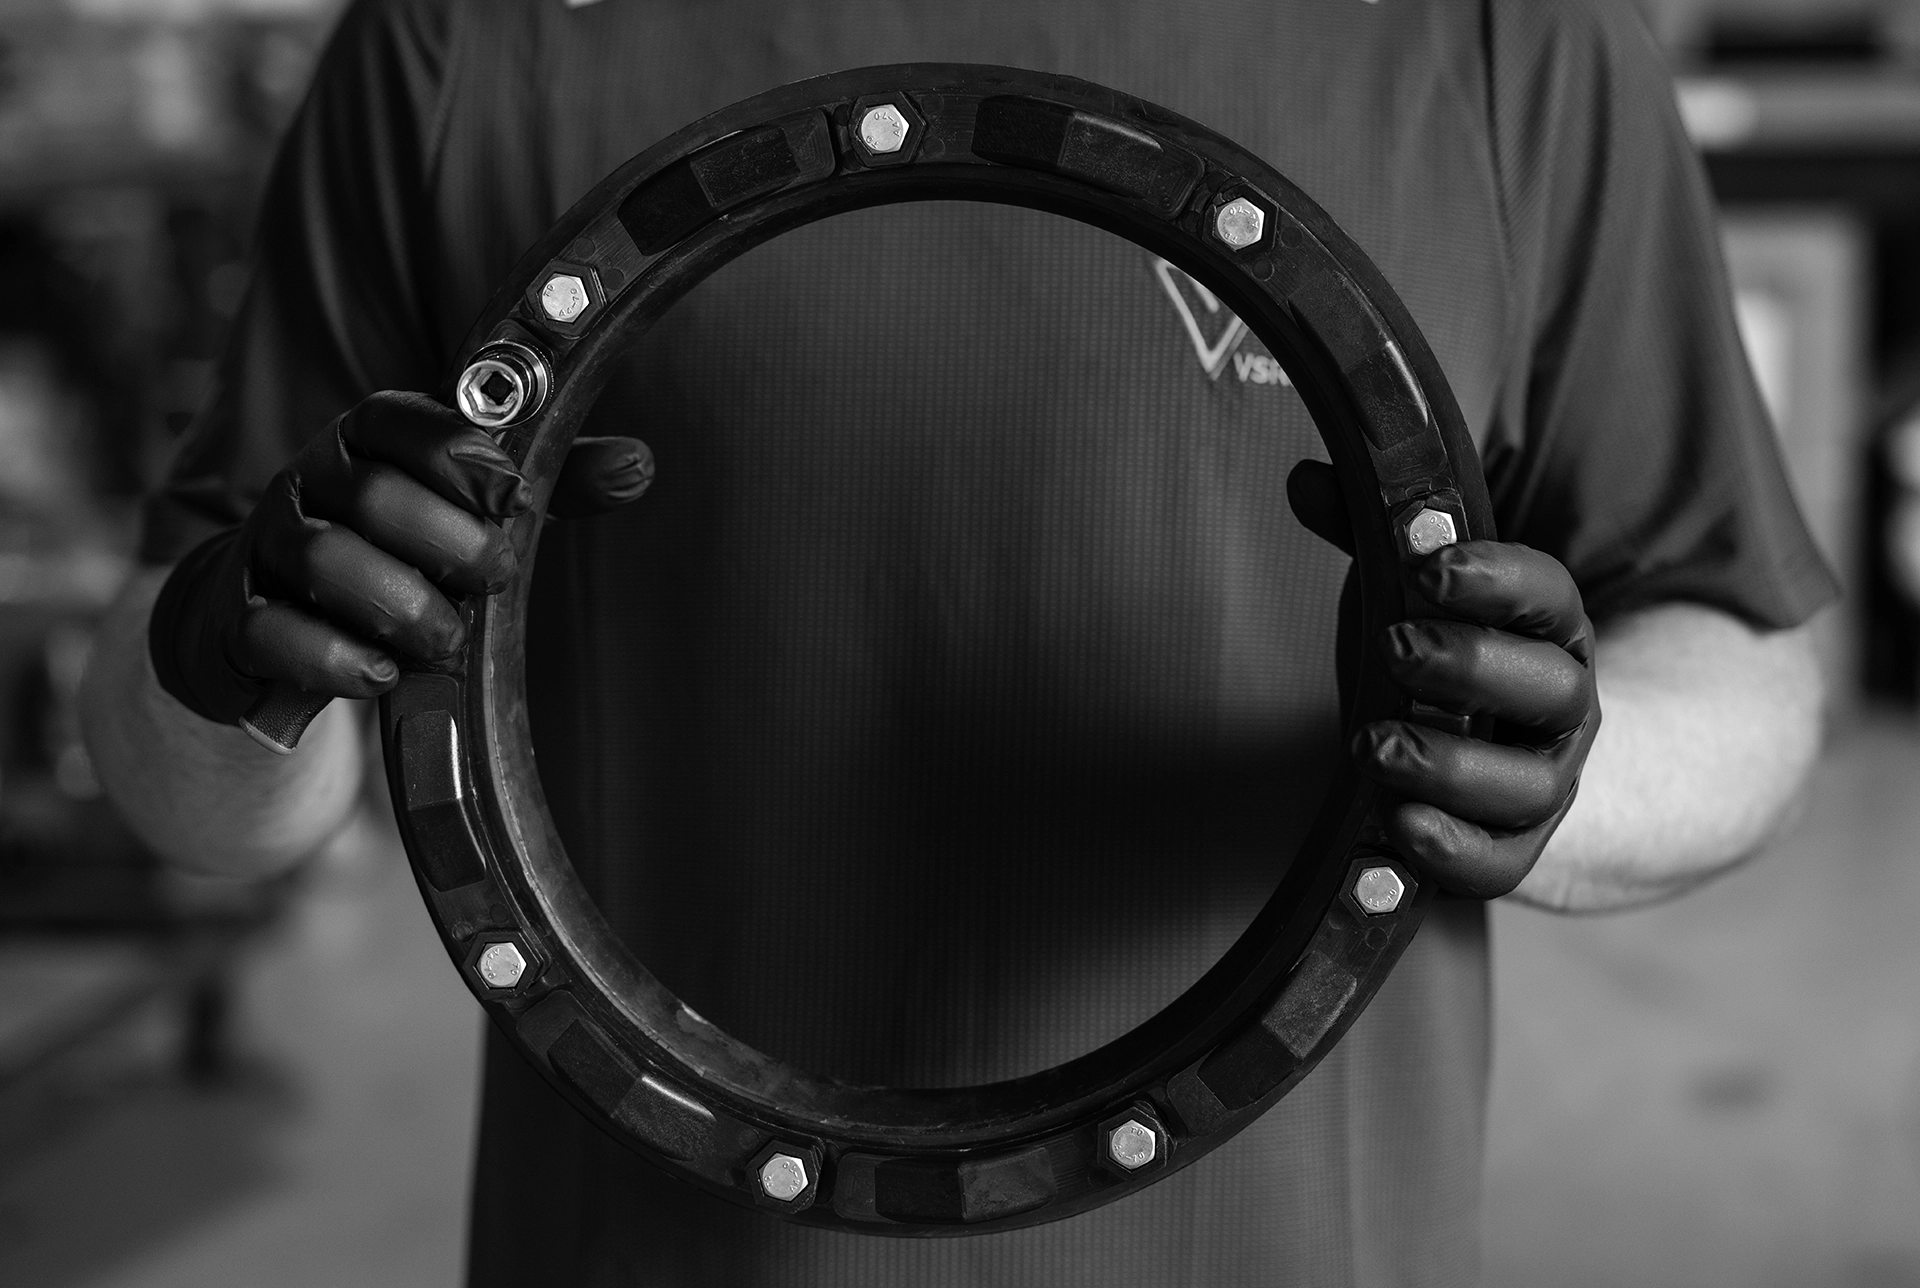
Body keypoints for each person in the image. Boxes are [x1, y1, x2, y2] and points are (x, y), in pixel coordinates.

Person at [80, 0, 1835, 1283]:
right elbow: (199, 799)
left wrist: (1563, 774)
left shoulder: (1499, 36)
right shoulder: (476, 41)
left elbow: (1742, 645)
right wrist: (242, 648)